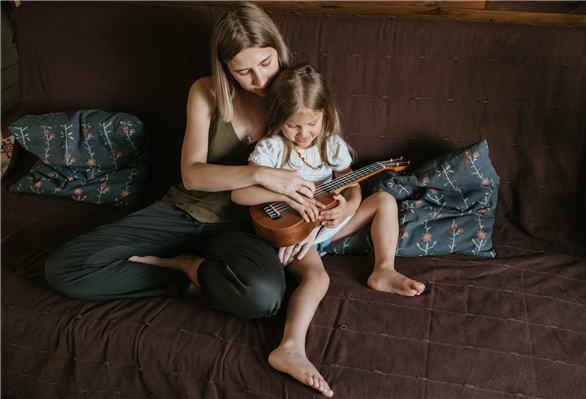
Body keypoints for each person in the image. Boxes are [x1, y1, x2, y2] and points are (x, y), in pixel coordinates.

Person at [45, 2, 317, 319]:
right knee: (63, 268)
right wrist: (259, 174)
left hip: (243, 227)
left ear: (279, 51)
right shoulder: (206, 91)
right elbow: (193, 176)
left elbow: (331, 167)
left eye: (266, 63)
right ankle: (189, 279)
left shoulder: (298, 100)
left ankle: (192, 266)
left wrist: (327, 217)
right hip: (182, 211)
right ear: (226, 68)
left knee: (262, 297)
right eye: (243, 71)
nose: (260, 79)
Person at [231, 64, 426, 397]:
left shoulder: (329, 144)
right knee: (318, 279)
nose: (304, 134)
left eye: (312, 123)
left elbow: (351, 186)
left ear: (325, 115)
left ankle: (383, 270)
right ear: (279, 119)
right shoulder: (273, 149)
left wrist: (348, 208)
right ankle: (290, 348)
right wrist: (284, 192)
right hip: (292, 235)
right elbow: (240, 194)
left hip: (325, 227)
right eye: (293, 125)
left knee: (385, 201)